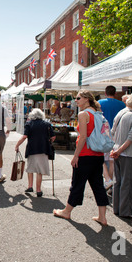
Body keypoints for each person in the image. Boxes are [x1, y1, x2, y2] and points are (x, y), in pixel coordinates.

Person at [53, 90, 109, 226]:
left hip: (85, 154)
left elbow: (83, 136)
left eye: (78, 98)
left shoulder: (83, 114)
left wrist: (76, 155)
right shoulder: (98, 114)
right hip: (98, 154)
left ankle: (67, 211)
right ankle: (102, 217)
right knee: (98, 186)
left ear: (86, 99)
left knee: (77, 184)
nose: (76, 101)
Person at [15, 108, 56, 197]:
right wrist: (48, 141)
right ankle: (38, 190)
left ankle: (30, 186)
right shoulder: (47, 124)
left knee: (30, 168)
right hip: (43, 149)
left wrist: (17, 145)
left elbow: (24, 136)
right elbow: (53, 137)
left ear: (32, 116)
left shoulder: (29, 124)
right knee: (39, 171)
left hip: (32, 149)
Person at [98, 86, 126, 191]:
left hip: (104, 132)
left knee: (100, 157)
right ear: (115, 93)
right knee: (112, 160)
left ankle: (107, 180)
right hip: (117, 133)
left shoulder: (100, 103)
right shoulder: (122, 104)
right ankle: (110, 184)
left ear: (105, 93)